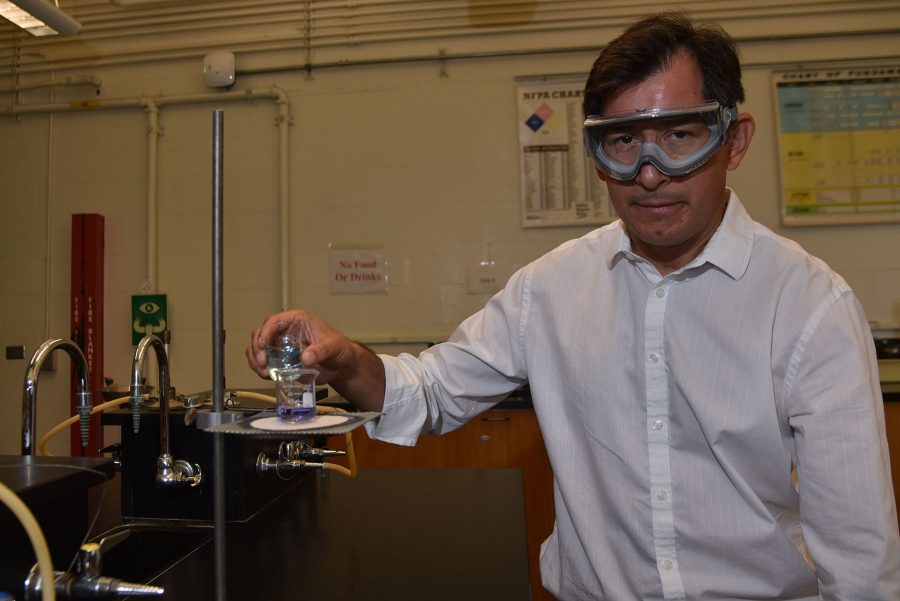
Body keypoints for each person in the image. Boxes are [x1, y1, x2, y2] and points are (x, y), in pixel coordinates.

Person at [247, 12, 900, 600]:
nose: (648, 171)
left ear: (734, 139)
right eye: (622, 141)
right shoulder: (551, 289)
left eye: (679, 134)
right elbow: (435, 391)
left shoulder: (810, 304)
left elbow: (861, 562)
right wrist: (344, 358)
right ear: (594, 153)